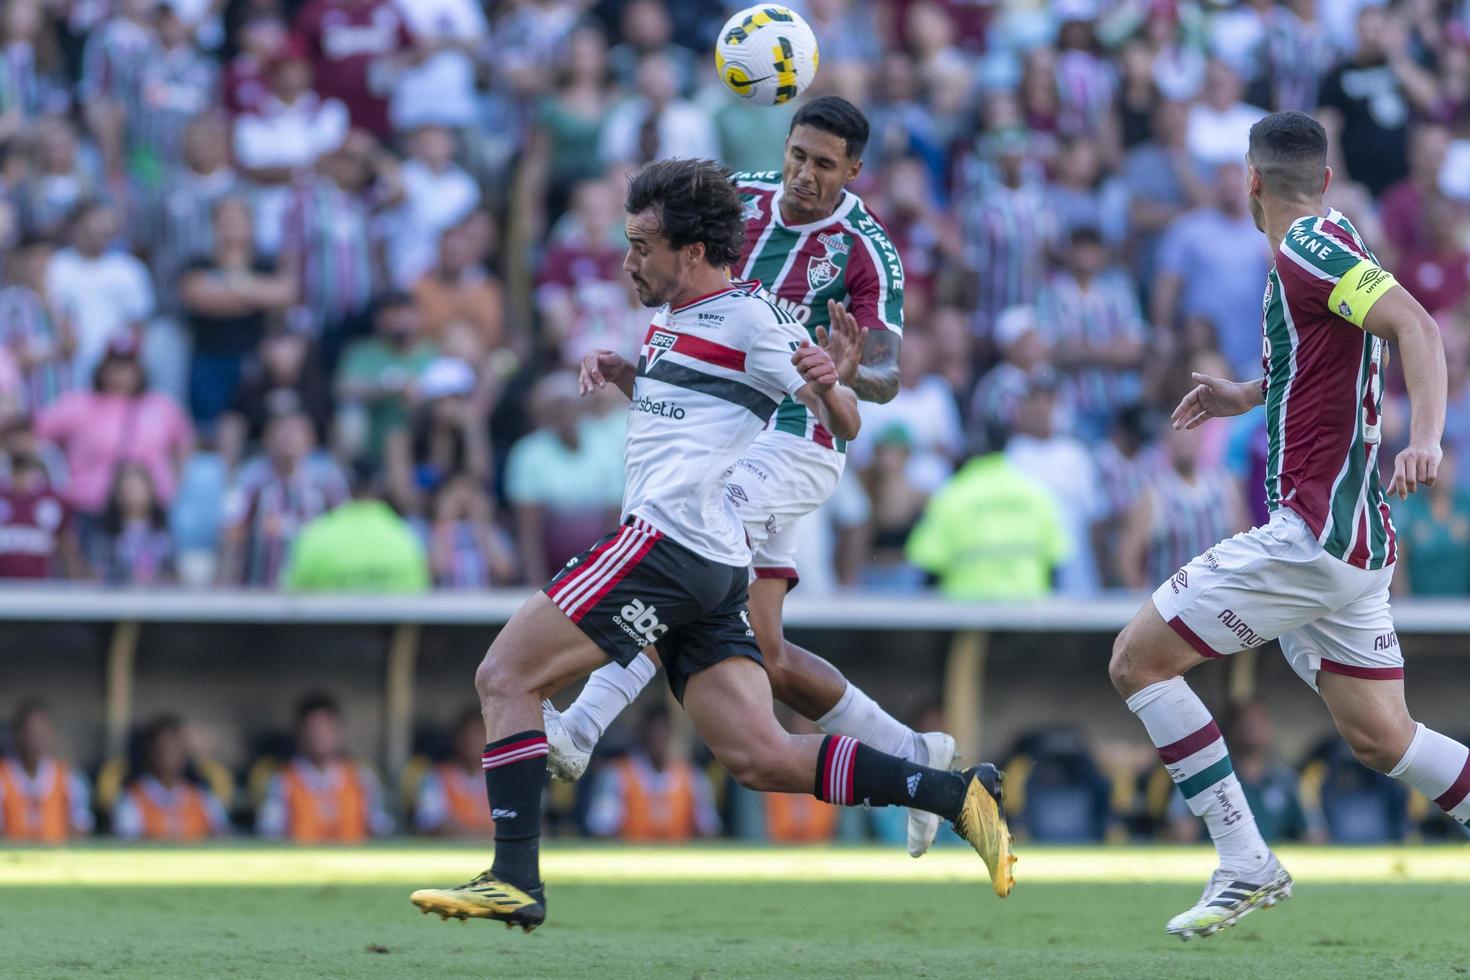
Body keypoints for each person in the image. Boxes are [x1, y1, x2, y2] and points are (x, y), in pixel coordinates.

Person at [409, 158, 1010, 933]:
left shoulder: (754, 320)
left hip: (666, 542)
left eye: (641, 246)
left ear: (692, 252)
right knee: (760, 756)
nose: (629, 261)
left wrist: (833, 381)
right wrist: (629, 372)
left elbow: (847, 423)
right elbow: (688, 414)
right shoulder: (674, 316)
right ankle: (956, 794)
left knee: (504, 676)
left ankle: (513, 874)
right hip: (711, 562)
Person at [543, 98, 962, 860]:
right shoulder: (747, 194)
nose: (804, 174)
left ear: (854, 171)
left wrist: (847, 370)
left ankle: (583, 724)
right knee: (763, 653)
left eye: (823, 164)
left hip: (797, 437)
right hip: (725, 431)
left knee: (683, 545)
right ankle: (913, 752)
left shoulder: (868, 250)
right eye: (798, 154)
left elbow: (889, 373)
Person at [1109, 111, 1467, 941]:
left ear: (1251, 182)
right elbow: (1323, 350)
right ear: (1327, 183)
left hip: (1311, 534)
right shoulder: (1335, 236)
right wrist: (1247, 393)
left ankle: (1244, 860)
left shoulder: (1307, 248)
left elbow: (1415, 325)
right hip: (1354, 544)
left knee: (1138, 663)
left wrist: (1425, 440)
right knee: (1383, 738)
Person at [177, 198, 297, 430]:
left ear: (250, 225)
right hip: (209, 358)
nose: (231, 226)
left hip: (256, 359)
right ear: (214, 226)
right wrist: (254, 293)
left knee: (258, 427)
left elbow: (284, 294)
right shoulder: (198, 263)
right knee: (208, 427)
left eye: (237, 220)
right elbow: (199, 298)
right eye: (225, 220)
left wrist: (226, 285)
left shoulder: (266, 262)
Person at [220, 408, 349, 588]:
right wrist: (226, 586)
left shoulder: (327, 479)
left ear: (311, 439)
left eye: (295, 431)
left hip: (317, 591)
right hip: (259, 587)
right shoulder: (250, 478)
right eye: (279, 430)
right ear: (267, 440)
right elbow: (232, 532)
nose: (287, 437)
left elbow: (344, 529)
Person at [257, 694, 393, 842]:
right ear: (300, 734)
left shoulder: (362, 776)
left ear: (339, 732)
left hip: (355, 861)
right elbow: (269, 832)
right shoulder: (282, 779)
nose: (319, 735)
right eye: (312, 728)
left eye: (326, 727)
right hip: (299, 862)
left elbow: (381, 828)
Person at [282, 465, 429, 593]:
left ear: (347, 487)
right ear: (381, 490)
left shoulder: (315, 536)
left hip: (330, 625)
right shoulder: (407, 537)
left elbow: (290, 596)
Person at [585, 704, 719, 841]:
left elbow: (708, 829)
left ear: (670, 735)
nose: (658, 740)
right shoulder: (618, 774)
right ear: (643, 734)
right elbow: (601, 828)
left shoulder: (692, 777)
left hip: (678, 859)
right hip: (630, 858)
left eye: (663, 732)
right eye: (653, 732)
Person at [111, 716, 229, 842]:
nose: (168, 753)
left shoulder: (203, 798)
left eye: (175, 747)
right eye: (162, 746)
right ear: (149, 751)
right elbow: (125, 843)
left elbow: (222, 838)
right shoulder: (131, 798)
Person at [0, 700, 92, 842]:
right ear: (18, 735)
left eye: (42, 731)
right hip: (12, 860)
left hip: (57, 860)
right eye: (31, 731)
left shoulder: (69, 778)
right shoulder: (3, 776)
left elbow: (81, 830)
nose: (36, 738)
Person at [415, 709, 496, 838]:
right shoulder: (438, 776)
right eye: (468, 736)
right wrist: (477, 835)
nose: (473, 742)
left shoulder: (499, 777)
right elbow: (431, 823)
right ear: (457, 740)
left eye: (479, 735)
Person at [93, 463, 174, 586]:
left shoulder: (162, 536)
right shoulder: (109, 537)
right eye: (129, 489)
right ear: (118, 495)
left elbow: (172, 573)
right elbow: (99, 574)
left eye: (139, 489)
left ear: (151, 492)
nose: (134, 494)